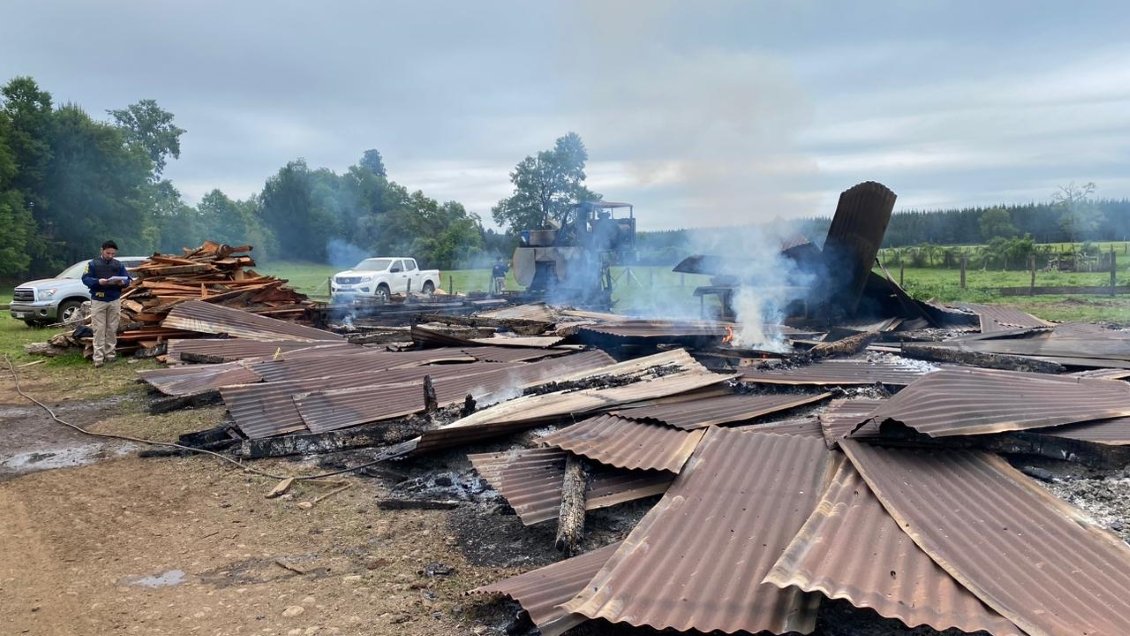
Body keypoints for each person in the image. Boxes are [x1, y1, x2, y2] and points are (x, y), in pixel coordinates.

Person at [80, 240, 131, 367]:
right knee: (99, 329)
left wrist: (122, 283)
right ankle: (98, 358)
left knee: (112, 328)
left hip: (114, 299)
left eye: (113, 254)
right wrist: (98, 282)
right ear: (102, 250)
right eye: (108, 253)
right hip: (98, 300)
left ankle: (110, 355)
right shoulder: (92, 264)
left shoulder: (119, 265)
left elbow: (127, 280)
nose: (110, 256)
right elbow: (85, 279)